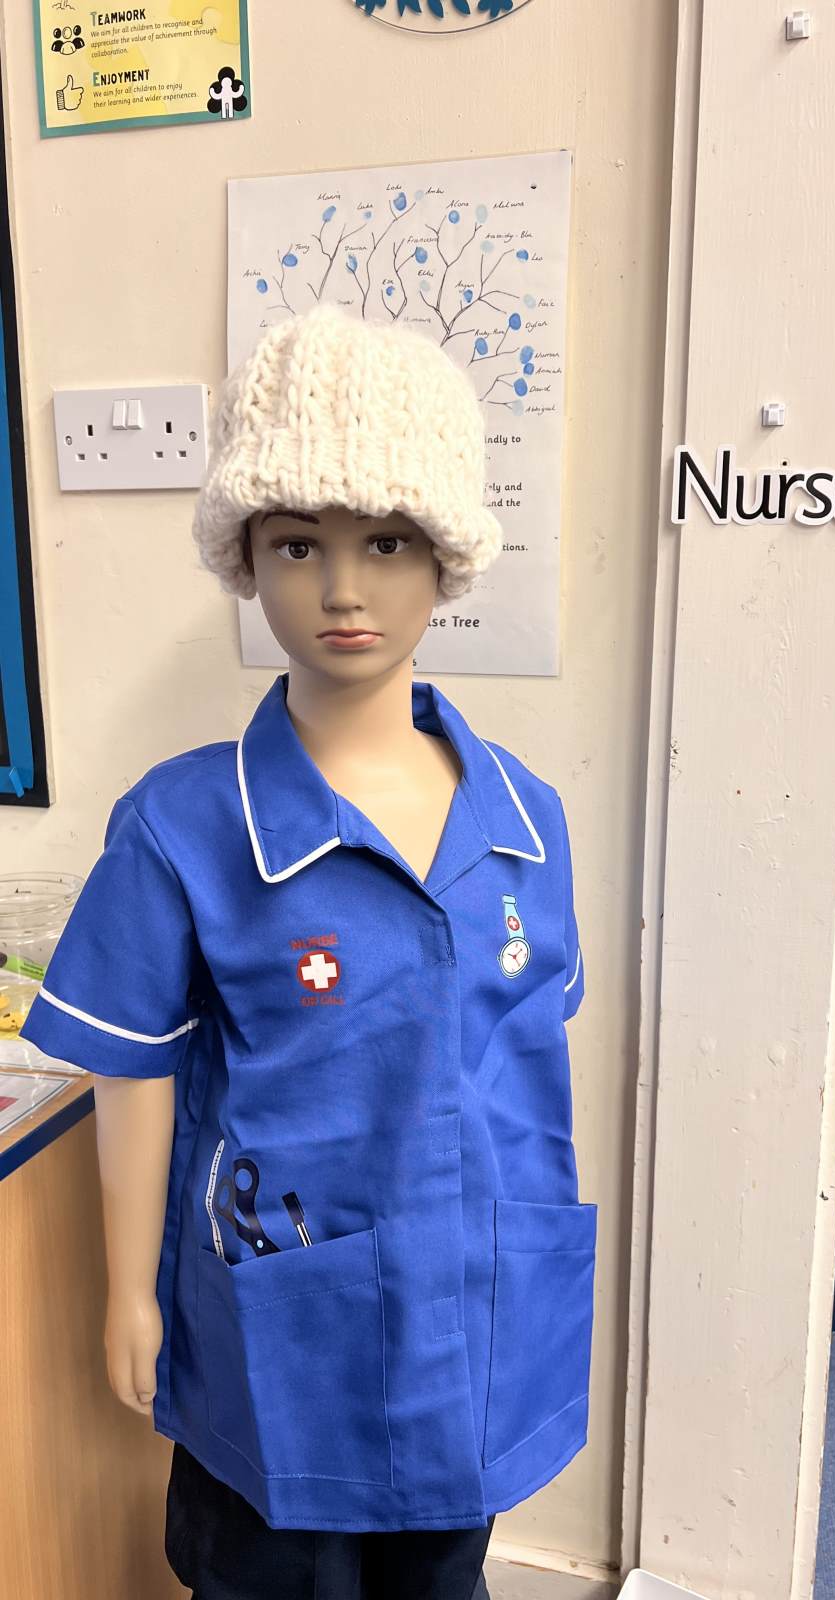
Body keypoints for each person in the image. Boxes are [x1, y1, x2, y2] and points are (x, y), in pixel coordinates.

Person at [19, 303, 596, 1600]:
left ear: (447, 556)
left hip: (475, 1324)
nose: (343, 589)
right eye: (297, 543)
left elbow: (526, 1081)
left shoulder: (527, 820)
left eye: (387, 540)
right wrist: (130, 1292)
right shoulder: (183, 826)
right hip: (281, 1341)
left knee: (441, 1577)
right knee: (262, 1578)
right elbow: (133, 1073)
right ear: (244, 555)